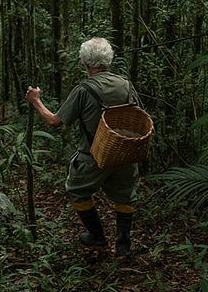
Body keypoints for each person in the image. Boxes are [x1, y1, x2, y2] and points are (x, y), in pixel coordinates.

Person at [25, 37, 141, 258]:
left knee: (77, 190)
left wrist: (36, 100)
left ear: (85, 63)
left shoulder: (83, 89)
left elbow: (54, 121)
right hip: (124, 154)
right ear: (108, 60)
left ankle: (97, 237)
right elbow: (138, 114)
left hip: (94, 157)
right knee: (126, 197)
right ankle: (123, 246)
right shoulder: (126, 85)